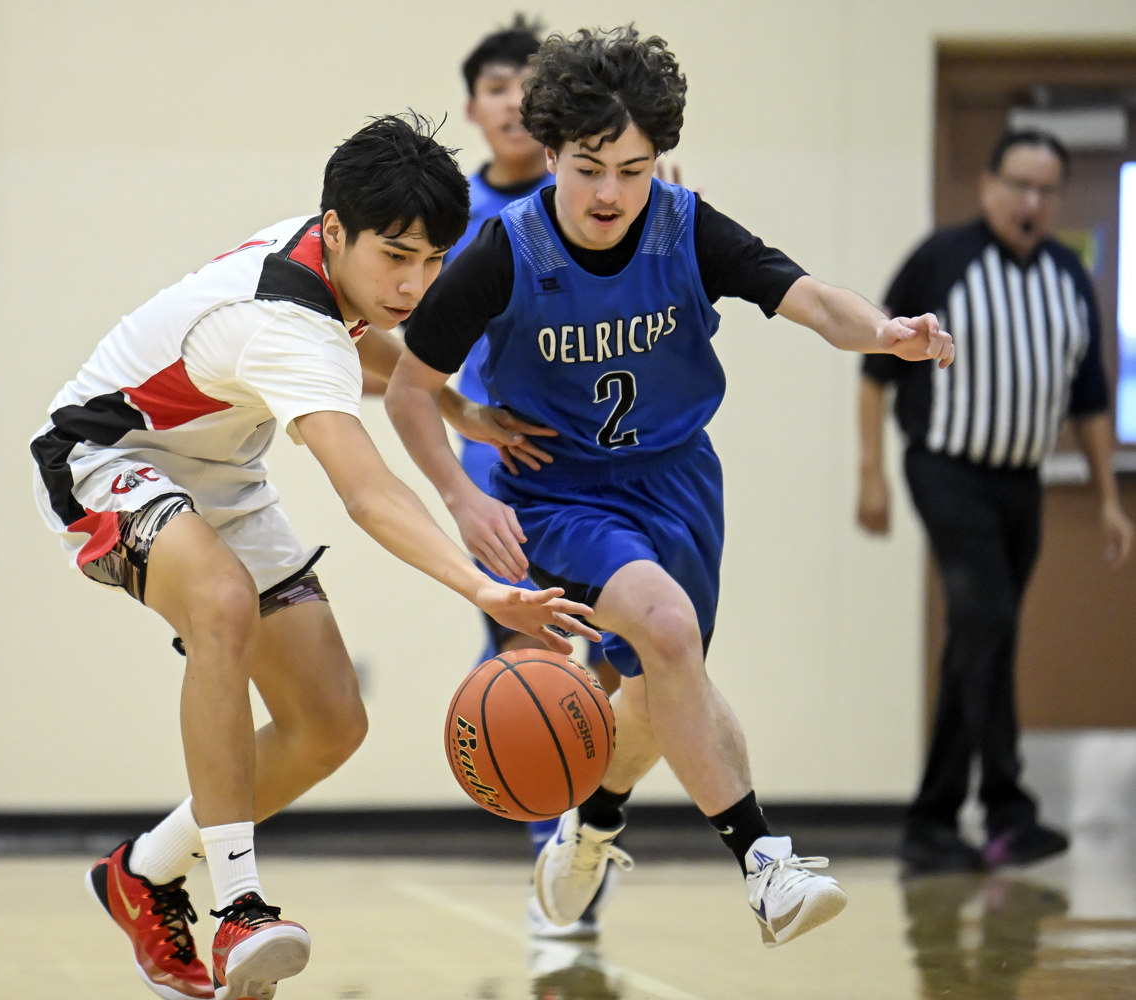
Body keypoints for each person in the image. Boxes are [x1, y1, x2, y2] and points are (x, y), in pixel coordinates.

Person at [384, 26, 955, 948]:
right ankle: (764, 861)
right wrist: (462, 492)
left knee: (655, 682)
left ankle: (596, 820)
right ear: (552, 155)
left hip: (680, 483)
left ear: (660, 161)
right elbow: (411, 390)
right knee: (669, 629)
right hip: (561, 490)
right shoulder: (503, 251)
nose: (610, 191)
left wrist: (888, 332)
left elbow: (810, 299)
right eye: (589, 166)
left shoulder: (688, 230)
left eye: (634, 168)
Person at [30, 113, 599, 1000]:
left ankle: (142, 872)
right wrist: (485, 587)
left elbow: (359, 346)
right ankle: (238, 908)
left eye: (432, 260)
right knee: (219, 603)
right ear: (335, 231)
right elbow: (368, 491)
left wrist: (452, 408)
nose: (413, 284)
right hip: (106, 456)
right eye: (396, 257)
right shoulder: (281, 325)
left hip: (218, 471)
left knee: (331, 724)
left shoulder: (331, 262)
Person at [857, 129, 1134, 875]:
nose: (1034, 203)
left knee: (988, 636)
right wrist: (871, 474)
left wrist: (1109, 498)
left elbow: (1090, 398)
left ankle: (968, 819)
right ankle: (972, 813)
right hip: (945, 469)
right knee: (985, 619)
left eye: (1048, 191)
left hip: (1022, 481)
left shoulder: (1070, 278)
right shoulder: (940, 259)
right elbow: (876, 368)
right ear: (989, 185)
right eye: (1021, 186)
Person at [447, 14, 623, 941]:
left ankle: (584, 832)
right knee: (534, 660)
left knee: (615, 660)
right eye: (496, 85)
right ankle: (558, 857)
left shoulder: (601, 205)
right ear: (474, 106)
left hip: (609, 468)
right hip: (505, 476)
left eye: (527, 83)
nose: (513, 100)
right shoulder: (448, 222)